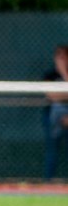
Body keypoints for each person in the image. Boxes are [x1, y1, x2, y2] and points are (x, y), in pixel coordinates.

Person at [42, 45, 68, 181]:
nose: (61, 59)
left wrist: (64, 73)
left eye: (64, 56)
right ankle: (49, 182)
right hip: (54, 117)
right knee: (52, 150)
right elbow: (51, 95)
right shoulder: (50, 74)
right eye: (59, 56)